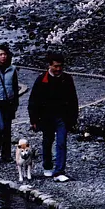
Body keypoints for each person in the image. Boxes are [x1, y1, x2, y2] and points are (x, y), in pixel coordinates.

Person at [27, 51, 78, 181]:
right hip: (46, 117)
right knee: (47, 142)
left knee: (61, 142)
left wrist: (73, 119)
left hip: (62, 117)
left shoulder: (67, 79)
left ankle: (59, 171)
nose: (58, 69)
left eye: (60, 66)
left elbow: (73, 100)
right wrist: (33, 119)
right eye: (55, 66)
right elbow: (33, 101)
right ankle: (47, 166)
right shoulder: (41, 80)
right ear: (49, 66)